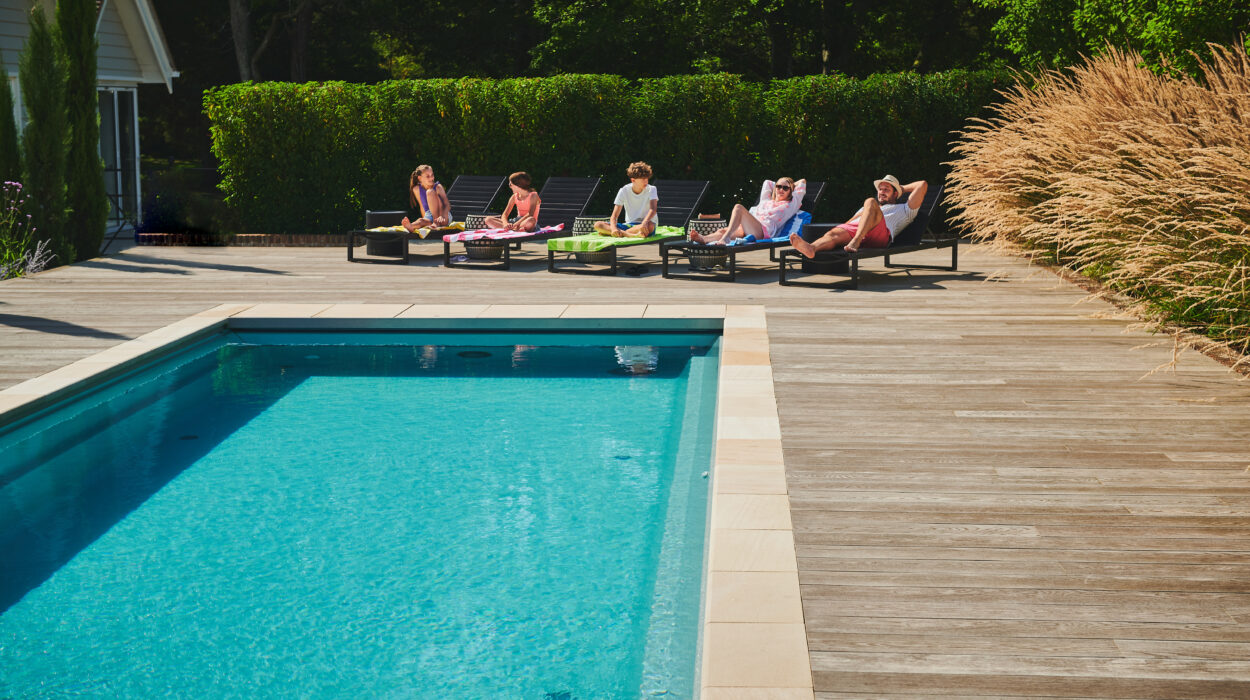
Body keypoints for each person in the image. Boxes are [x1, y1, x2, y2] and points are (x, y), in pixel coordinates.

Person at [790, 175, 927, 256]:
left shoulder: (904, 209)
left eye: (887, 189)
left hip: (880, 236)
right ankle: (811, 248)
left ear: (895, 194)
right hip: (857, 230)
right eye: (880, 189)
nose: (882, 192)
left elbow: (922, 185)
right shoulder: (866, 208)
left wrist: (900, 188)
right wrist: (839, 229)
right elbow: (850, 223)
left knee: (870, 201)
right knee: (833, 235)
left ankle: (856, 241)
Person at [690, 177, 807, 245]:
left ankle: (726, 238)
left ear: (790, 191)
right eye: (778, 186)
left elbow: (803, 181)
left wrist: (791, 184)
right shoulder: (765, 200)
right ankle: (703, 239)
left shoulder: (791, 204)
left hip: (762, 231)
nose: (781, 189)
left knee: (738, 208)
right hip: (748, 227)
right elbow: (767, 182)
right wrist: (782, 183)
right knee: (722, 231)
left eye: (785, 188)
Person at [594, 162, 658, 238]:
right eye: (643, 179)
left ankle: (618, 233)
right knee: (598, 225)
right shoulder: (623, 190)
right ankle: (628, 234)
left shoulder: (652, 189)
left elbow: (653, 209)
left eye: (647, 178)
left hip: (645, 225)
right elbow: (614, 216)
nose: (646, 182)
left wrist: (644, 223)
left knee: (650, 225)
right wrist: (614, 228)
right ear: (633, 180)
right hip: (629, 226)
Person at [401, 165, 450, 232]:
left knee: (430, 192)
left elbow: (446, 205)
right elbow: (422, 206)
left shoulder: (438, 187)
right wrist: (425, 220)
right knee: (421, 221)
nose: (431, 178)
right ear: (420, 178)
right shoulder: (416, 189)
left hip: (442, 214)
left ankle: (436, 223)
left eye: (432, 175)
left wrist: (442, 216)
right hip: (429, 215)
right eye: (427, 176)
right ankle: (411, 226)